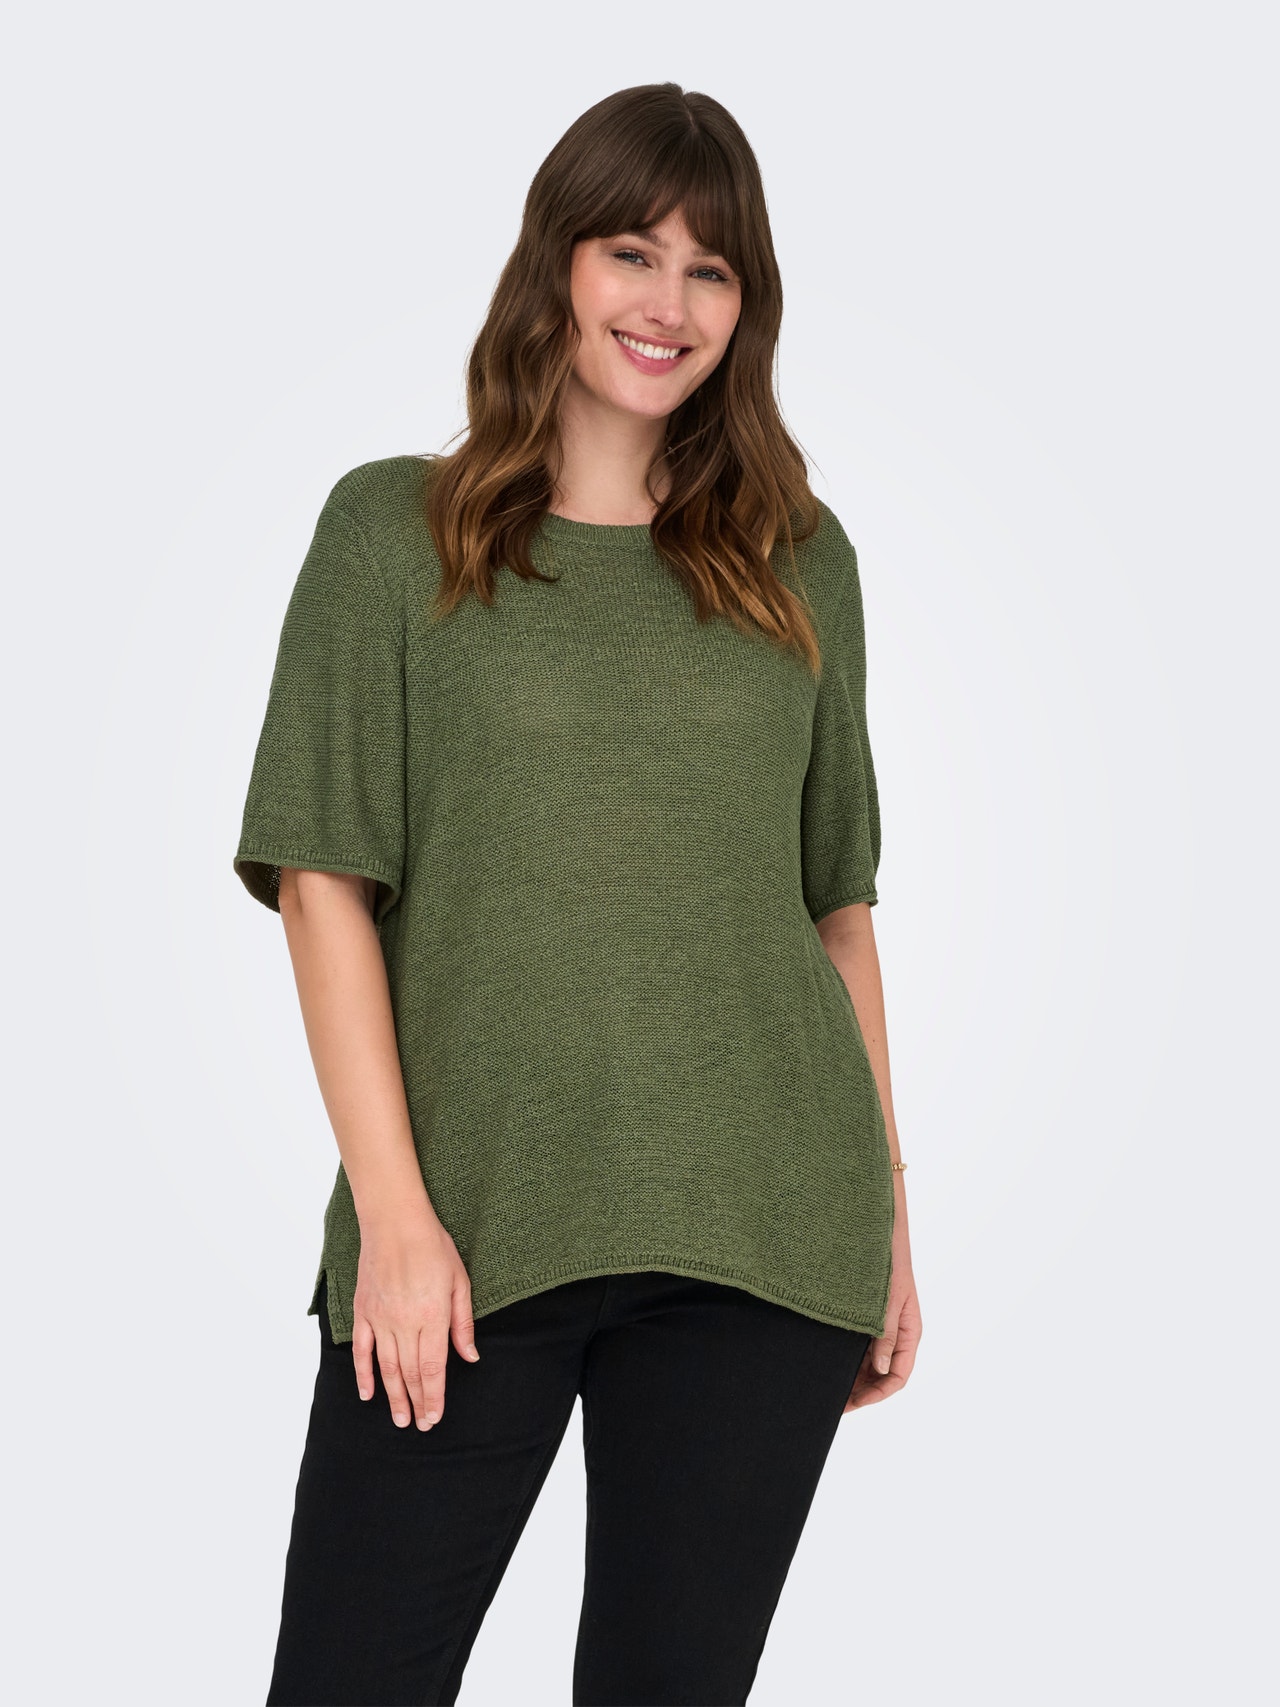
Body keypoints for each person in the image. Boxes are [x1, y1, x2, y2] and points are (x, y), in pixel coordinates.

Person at [234, 80, 922, 1707]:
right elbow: (322, 884)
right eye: (634, 252)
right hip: (472, 1229)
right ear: (556, 262)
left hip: (766, 1227)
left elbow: (834, 908)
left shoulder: (800, 560)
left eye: (711, 268)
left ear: (745, 307)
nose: (669, 302)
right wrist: (396, 1217)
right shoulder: (394, 535)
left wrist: (888, 1214)